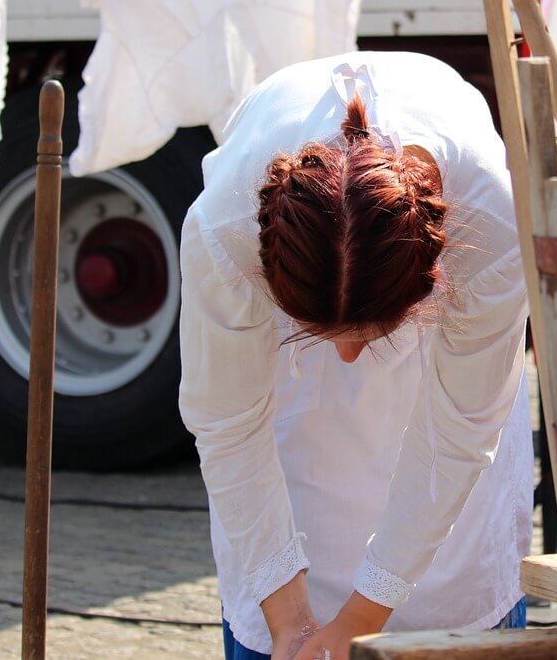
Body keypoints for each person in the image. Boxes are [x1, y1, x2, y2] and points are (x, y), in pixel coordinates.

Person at [179, 51, 533, 660]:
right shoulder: (223, 227)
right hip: (292, 460)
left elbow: (458, 434)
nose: (346, 356)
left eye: (370, 333)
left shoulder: (492, 226)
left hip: (447, 503)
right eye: (316, 331)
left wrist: (362, 618)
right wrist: (291, 623)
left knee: (447, 592)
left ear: (428, 281)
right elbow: (227, 422)